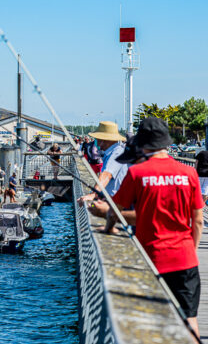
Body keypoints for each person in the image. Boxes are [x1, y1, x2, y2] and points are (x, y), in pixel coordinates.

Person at [108, 118, 204, 336]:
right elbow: (198, 220)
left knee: (151, 321)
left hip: (151, 260)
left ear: (143, 144)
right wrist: (192, 249)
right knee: (190, 321)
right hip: (185, 260)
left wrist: (109, 228)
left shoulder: (137, 173)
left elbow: (115, 210)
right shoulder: (189, 173)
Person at [77, 121, 126, 205]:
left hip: (117, 203)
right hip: (112, 200)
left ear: (104, 140)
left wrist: (93, 194)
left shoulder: (116, 153)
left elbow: (106, 174)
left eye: (98, 139)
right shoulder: (112, 152)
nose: (97, 142)